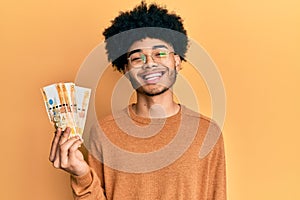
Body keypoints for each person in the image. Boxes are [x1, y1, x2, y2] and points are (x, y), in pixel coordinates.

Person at [49, 2, 226, 199]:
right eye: (137, 58)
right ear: (125, 69)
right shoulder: (104, 133)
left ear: (177, 60)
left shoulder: (207, 133)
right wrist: (81, 175)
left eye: (160, 54)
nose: (150, 63)